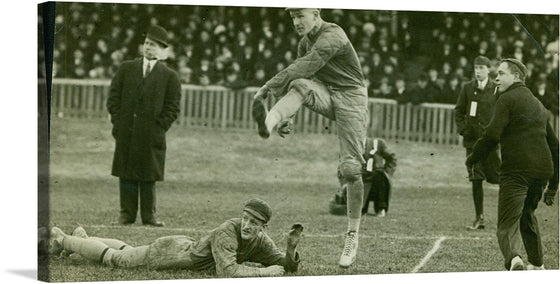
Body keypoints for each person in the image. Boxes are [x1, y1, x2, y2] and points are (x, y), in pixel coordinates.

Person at [251, 8, 368, 268]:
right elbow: (303, 78)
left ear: (316, 14)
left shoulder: (333, 35)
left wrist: (268, 86)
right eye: (292, 17)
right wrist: (286, 119)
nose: (296, 22)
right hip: (326, 93)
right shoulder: (304, 43)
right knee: (300, 85)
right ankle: (268, 122)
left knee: (350, 169)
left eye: (300, 15)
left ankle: (352, 234)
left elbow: (308, 64)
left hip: (351, 98)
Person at [46, 198, 303, 278]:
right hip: (167, 254)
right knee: (115, 258)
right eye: (245, 219)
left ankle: (83, 239)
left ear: (263, 228)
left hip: (178, 245)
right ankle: (63, 239)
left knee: (128, 248)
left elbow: (286, 266)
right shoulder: (229, 229)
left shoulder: (260, 240)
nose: (247, 225)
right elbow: (228, 272)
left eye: (254, 223)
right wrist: (264, 272)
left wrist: (290, 249)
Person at [466, 58, 558, 271]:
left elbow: (491, 135)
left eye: (501, 73)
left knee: (506, 224)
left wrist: (472, 158)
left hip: (516, 170)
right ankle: (537, 265)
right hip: (542, 171)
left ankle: (515, 261)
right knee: (527, 215)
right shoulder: (539, 104)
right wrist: (553, 186)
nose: (496, 77)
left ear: (516, 76)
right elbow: (556, 147)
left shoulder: (506, 99)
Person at [106, 25, 181, 227]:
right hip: (127, 131)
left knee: (148, 176)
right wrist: (119, 122)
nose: (149, 48)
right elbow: (113, 98)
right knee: (126, 172)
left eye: (154, 45)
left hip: (151, 134)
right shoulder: (126, 68)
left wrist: (159, 127)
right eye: (147, 43)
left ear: (162, 50)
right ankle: (126, 215)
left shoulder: (169, 76)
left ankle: (149, 216)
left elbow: (173, 107)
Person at [454, 56, 501, 230]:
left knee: (498, 178)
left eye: (482, 68)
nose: (478, 71)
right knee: (475, 178)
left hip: (490, 143)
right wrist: (464, 130)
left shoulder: (496, 89)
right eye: (476, 68)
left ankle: (509, 217)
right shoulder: (467, 88)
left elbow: (502, 112)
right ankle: (479, 217)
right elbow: (459, 111)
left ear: (489, 69)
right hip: (472, 144)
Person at [329, 137, 397, 217]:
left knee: (379, 174)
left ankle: (381, 208)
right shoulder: (349, 147)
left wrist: (387, 174)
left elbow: (392, 158)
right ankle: (361, 208)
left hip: (377, 182)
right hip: (360, 182)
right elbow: (342, 168)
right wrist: (344, 184)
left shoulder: (378, 143)